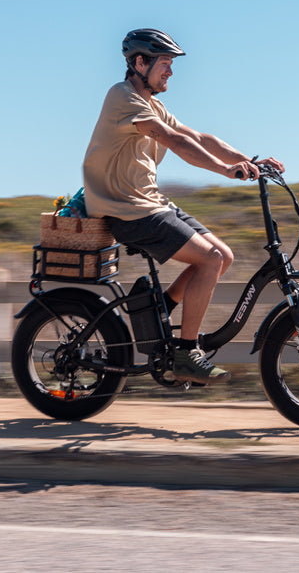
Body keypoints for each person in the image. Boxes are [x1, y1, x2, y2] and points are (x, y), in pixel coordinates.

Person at [82, 28, 284, 385]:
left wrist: (249, 161)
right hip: (128, 210)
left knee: (224, 255)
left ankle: (157, 308)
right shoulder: (123, 98)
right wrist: (224, 170)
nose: (171, 73)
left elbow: (197, 138)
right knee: (209, 260)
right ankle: (186, 353)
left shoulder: (152, 104)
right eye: (165, 64)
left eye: (172, 65)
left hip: (151, 203)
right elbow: (171, 140)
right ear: (139, 63)